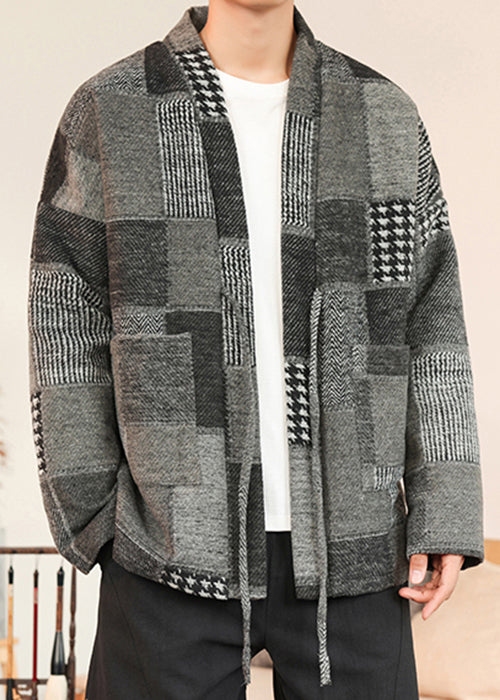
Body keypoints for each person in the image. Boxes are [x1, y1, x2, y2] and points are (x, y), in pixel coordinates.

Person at [27, 2, 484, 698]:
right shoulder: (111, 109)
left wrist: (444, 504)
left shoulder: (382, 113)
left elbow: (432, 321)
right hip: (166, 552)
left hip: (354, 552)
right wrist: (96, 514)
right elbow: (65, 315)